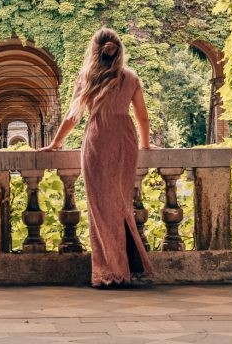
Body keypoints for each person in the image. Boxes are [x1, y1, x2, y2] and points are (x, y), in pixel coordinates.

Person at [41, 27, 152, 288]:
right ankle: (126, 268)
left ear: (95, 50)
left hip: (98, 140)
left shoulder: (87, 77)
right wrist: (146, 144)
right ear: (118, 51)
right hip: (125, 140)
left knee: (101, 209)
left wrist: (56, 143)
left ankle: (108, 272)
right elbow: (142, 116)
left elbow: (72, 117)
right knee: (122, 204)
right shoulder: (130, 77)